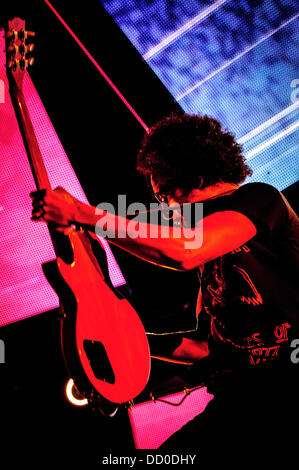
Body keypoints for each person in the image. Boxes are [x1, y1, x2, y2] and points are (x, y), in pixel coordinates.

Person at [31, 113, 299, 462]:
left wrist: (83, 214)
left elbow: (185, 250)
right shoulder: (212, 265)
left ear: (197, 178)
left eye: (166, 195)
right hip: (243, 400)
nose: (165, 210)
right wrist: (126, 340)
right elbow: (202, 348)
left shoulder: (260, 200)